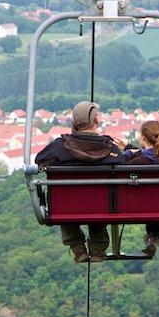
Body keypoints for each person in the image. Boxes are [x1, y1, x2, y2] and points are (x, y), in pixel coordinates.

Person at [34, 100, 124, 263]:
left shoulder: (60, 147)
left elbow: (40, 160)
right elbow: (123, 164)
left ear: (75, 123)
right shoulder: (110, 148)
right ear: (96, 120)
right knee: (99, 201)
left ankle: (77, 247)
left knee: (65, 203)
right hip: (101, 206)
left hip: (67, 206)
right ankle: (98, 249)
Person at [117, 119, 159, 257]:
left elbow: (123, 164)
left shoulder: (140, 160)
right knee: (158, 199)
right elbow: (148, 155)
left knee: (147, 198)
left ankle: (153, 237)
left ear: (143, 138)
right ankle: (154, 238)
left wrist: (126, 153)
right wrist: (129, 148)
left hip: (137, 203)